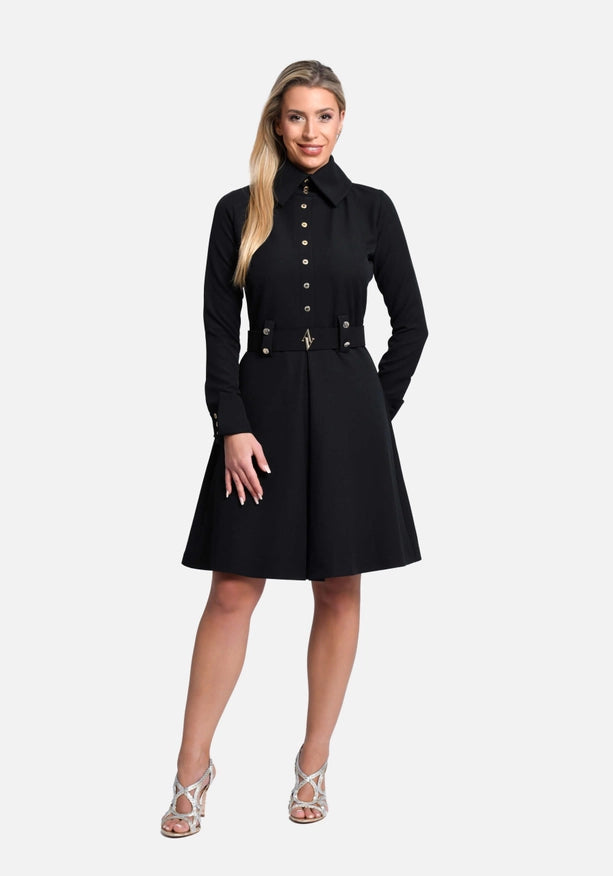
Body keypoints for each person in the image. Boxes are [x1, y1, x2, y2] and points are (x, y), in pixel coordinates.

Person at [160, 59, 429, 836]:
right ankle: (190, 770)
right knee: (233, 589)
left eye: (325, 115)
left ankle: (313, 764)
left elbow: (411, 326)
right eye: (297, 117)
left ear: (342, 121)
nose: (312, 131)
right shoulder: (237, 210)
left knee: (339, 587)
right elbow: (218, 330)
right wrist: (231, 423)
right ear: (276, 124)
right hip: (262, 411)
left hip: (349, 413)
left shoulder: (372, 209)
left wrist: (373, 416)